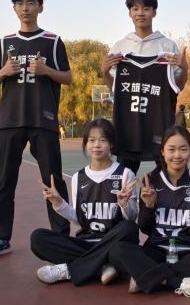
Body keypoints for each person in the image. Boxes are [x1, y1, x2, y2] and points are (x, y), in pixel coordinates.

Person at [0, 0, 72, 259]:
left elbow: (68, 77)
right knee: (5, 182)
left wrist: (46, 70)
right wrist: (4, 71)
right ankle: (0, 237)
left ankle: (61, 238)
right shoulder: (4, 42)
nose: (25, 8)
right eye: (20, 3)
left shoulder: (53, 41)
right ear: (14, 8)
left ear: (40, 7)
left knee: (53, 180)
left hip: (43, 119)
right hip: (10, 120)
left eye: (31, 2)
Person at [109, 125, 190, 298]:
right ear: (162, 152)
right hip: (157, 250)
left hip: (188, 251)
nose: (177, 155)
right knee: (116, 251)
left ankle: (148, 276)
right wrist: (149, 206)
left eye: (183, 149)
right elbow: (145, 229)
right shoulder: (150, 181)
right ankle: (183, 283)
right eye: (171, 149)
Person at [30, 119, 139, 286]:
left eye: (102, 140)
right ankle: (102, 265)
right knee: (38, 238)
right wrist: (59, 203)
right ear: (86, 144)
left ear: (111, 144)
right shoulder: (78, 178)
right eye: (91, 140)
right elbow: (80, 219)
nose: (97, 145)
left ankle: (69, 270)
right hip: (86, 243)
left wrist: (124, 204)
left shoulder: (125, 174)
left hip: (115, 243)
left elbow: (131, 218)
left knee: (129, 228)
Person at [101, 0, 188, 174]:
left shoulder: (167, 46)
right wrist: (104, 72)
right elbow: (116, 89)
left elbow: (178, 87)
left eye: (146, 8)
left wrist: (185, 69)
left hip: (159, 127)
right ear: (129, 13)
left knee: (167, 177)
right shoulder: (120, 47)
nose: (140, 13)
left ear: (154, 12)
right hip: (128, 128)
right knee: (124, 181)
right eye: (135, 9)